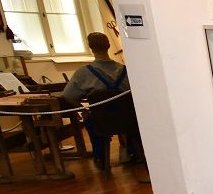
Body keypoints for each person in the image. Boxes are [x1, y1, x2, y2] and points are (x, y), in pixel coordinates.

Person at [63, 32, 149, 182]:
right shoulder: (125, 70)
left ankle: (100, 157)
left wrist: (84, 112)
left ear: (90, 47)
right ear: (108, 46)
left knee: (91, 120)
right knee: (126, 120)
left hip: (102, 122)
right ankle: (135, 153)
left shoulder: (84, 73)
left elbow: (68, 96)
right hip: (129, 120)